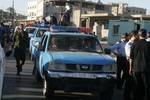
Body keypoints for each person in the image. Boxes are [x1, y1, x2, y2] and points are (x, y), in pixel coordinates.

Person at [130, 29, 149, 100]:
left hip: (136, 68)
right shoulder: (148, 44)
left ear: (139, 35)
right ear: (145, 35)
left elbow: (131, 58)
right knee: (146, 86)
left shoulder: (134, 44)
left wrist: (130, 68)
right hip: (146, 69)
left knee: (137, 86)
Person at [124, 30, 139, 100]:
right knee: (129, 82)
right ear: (133, 36)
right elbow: (130, 55)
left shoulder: (136, 43)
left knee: (134, 82)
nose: (138, 36)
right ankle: (126, 96)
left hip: (135, 64)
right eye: (137, 35)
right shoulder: (129, 44)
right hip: (129, 64)